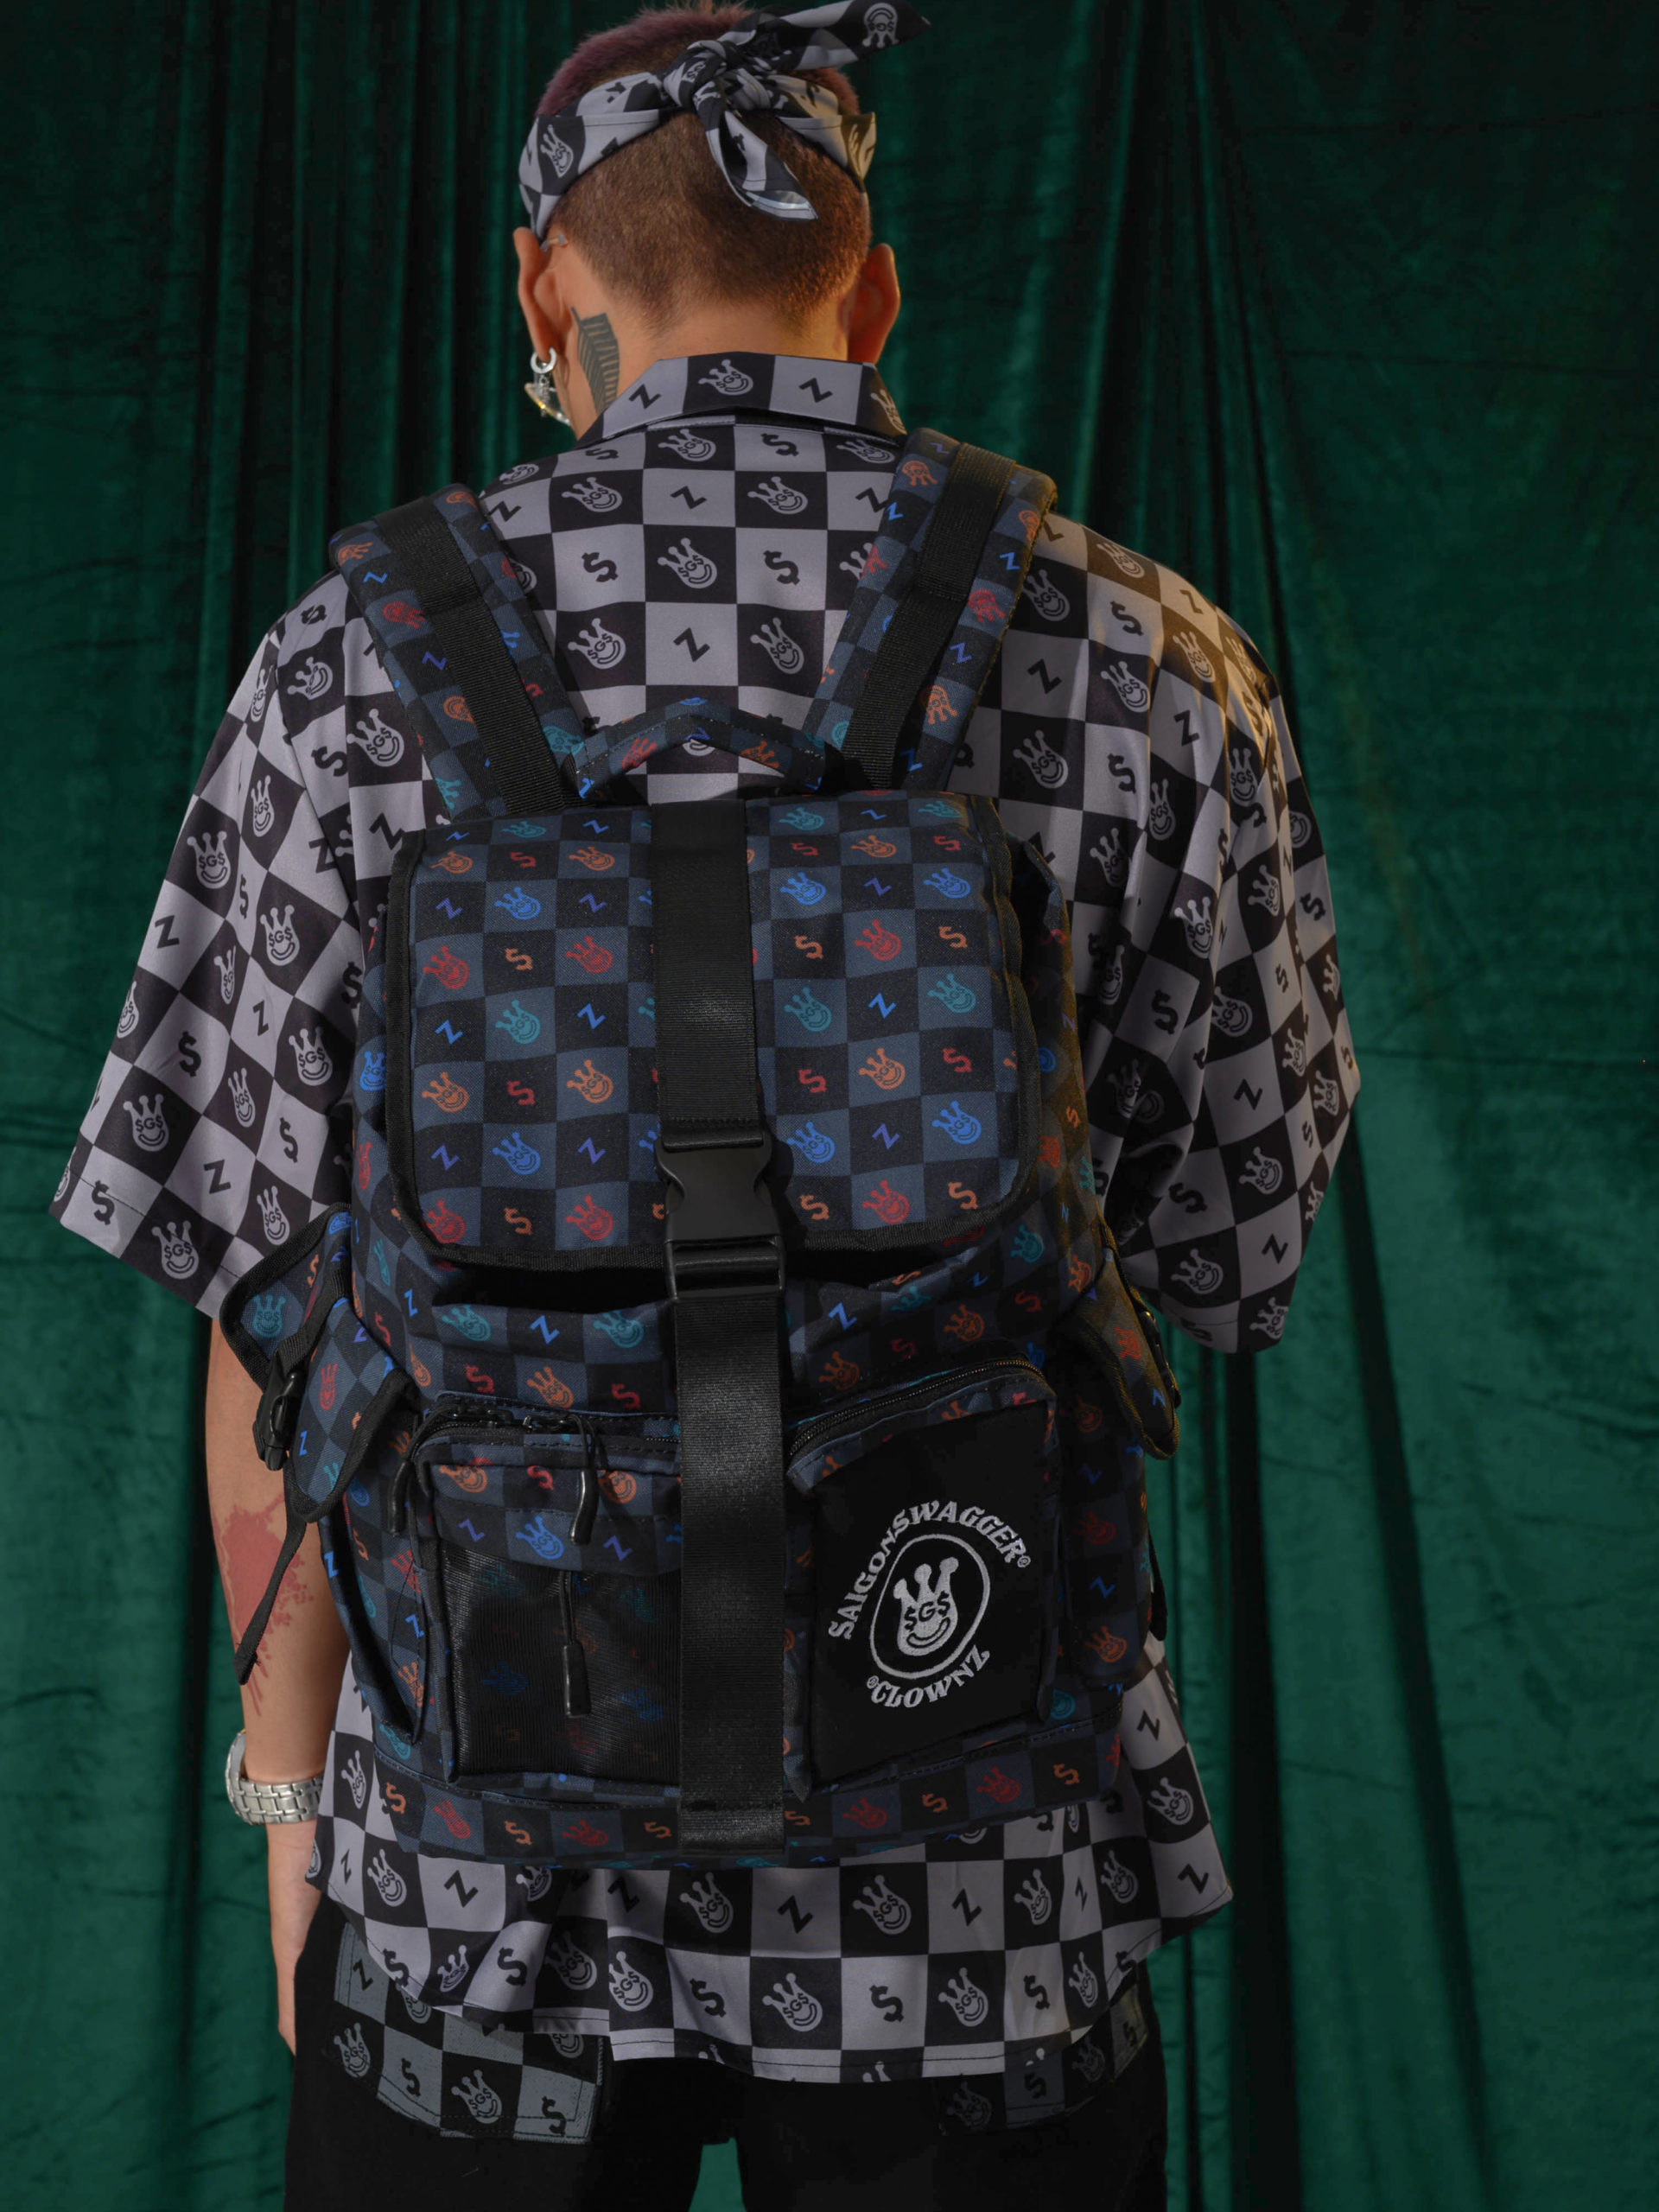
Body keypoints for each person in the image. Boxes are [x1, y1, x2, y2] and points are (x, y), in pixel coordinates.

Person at [49, 4, 1358, 2204]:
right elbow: (1228, 1257)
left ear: (546, 293)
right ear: (873, 294)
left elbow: (261, 1302)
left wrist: (293, 1806)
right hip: (973, 1867)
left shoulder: (342, 670)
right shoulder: (1153, 661)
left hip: (478, 1882)